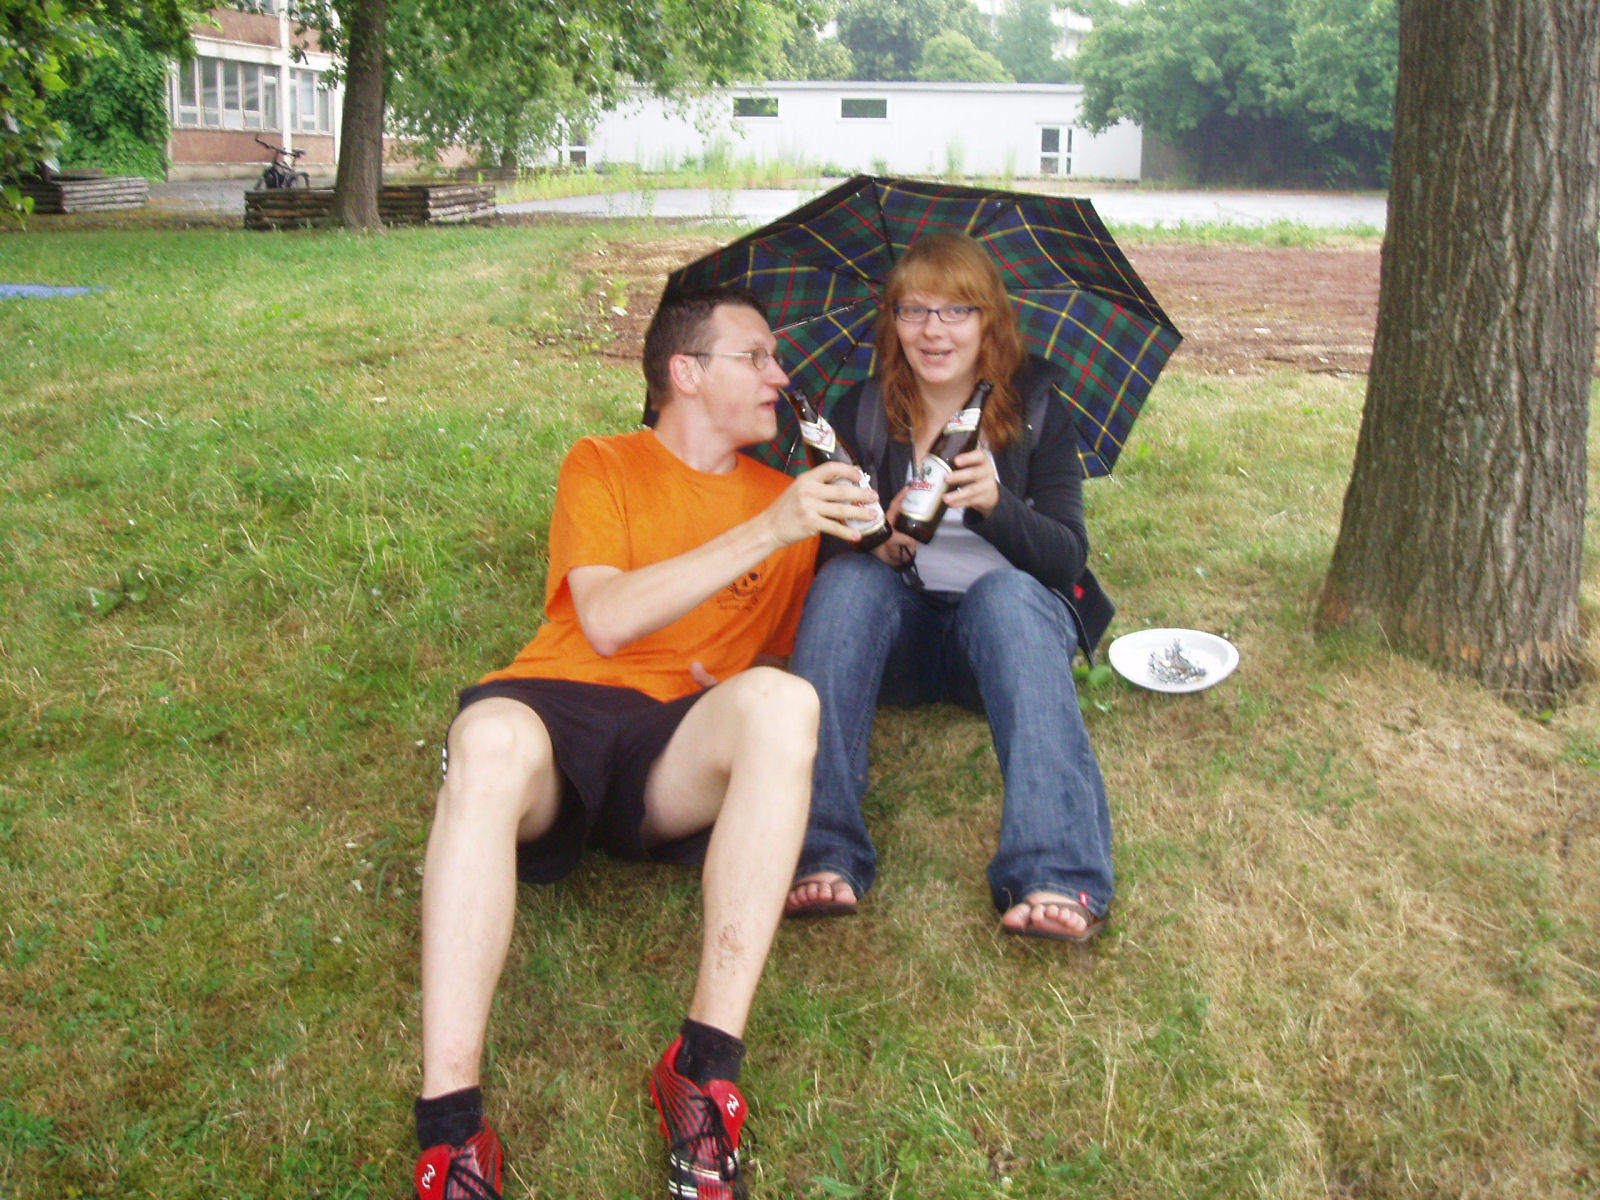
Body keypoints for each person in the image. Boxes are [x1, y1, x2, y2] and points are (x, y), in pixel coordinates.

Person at [413, 285, 875, 1200]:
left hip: (669, 748)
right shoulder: (605, 462)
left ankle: (702, 1069)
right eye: (757, 356)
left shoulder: (788, 502)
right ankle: (451, 1128)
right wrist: (771, 528)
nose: (779, 377)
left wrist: (743, 678)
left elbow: (782, 662)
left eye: (777, 359)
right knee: (488, 741)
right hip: (556, 711)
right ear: (685, 372)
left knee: (784, 704)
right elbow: (608, 618)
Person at [783, 231, 1117, 943]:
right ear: (893, 322)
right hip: (901, 641)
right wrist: (873, 541)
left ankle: (1056, 868)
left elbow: (1066, 560)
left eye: (957, 310)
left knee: (1003, 596)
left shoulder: (1036, 409)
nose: (933, 330)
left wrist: (999, 506)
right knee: (845, 584)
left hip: (1002, 645)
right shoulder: (863, 410)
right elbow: (825, 553)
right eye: (914, 309)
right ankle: (821, 847)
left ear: (989, 320)